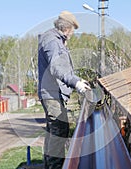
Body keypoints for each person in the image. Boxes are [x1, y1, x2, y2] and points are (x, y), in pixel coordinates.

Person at [37, 11, 91, 169]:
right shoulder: (53, 41)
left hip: (53, 93)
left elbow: (63, 69)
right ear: (67, 28)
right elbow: (56, 68)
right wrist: (76, 83)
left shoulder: (55, 40)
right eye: (73, 30)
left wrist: (78, 80)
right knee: (59, 131)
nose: (72, 34)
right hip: (52, 94)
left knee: (53, 132)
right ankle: (55, 166)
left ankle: (49, 165)